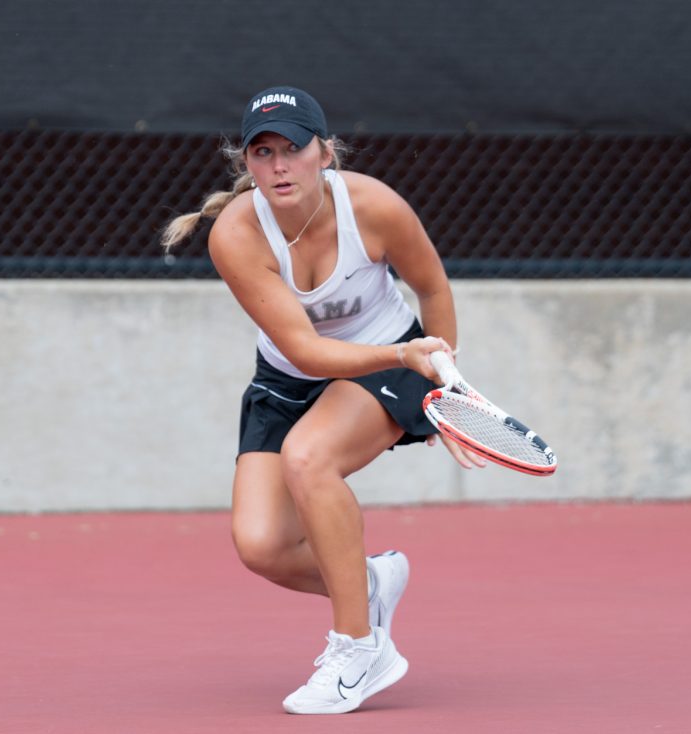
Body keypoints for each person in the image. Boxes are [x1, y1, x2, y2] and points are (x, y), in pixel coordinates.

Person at [162, 85, 486, 715]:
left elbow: (431, 286)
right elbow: (307, 353)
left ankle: (359, 649)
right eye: (263, 153)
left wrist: (448, 384)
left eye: (294, 148)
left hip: (392, 358)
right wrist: (405, 359)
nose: (280, 165)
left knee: (310, 459)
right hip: (293, 376)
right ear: (246, 165)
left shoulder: (374, 207)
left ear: (326, 153)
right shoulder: (236, 235)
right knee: (262, 545)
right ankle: (367, 582)